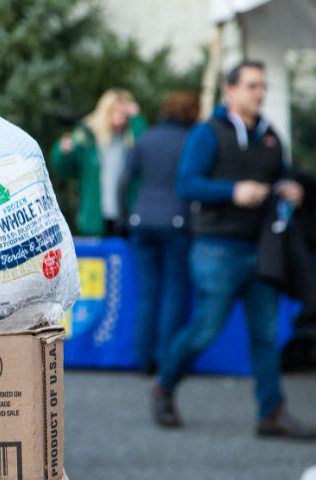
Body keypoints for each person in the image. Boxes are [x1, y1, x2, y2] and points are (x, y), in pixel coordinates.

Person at [152, 60, 315, 440]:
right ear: (230, 91)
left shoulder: (270, 135)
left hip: (262, 251)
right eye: (252, 86)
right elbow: (186, 184)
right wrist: (233, 191)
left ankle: (272, 412)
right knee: (204, 332)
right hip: (217, 250)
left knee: (266, 335)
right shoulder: (207, 133)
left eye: (263, 86)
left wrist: (294, 188)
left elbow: (283, 174)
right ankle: (164, 385)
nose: (259, 93)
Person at [117, 92, 198, 375]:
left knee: (148, 292)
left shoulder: (146, 137)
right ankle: (168, 359)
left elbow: (124, 181)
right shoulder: (192, 140)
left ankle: (144, 358)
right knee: (174, 291)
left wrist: (124, 218)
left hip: (142, 220)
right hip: (176, 221)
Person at [51, 89, 147, 236]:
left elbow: (146, 146)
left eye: (124, 115)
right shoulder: (88, 137)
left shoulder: (131, 140)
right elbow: (63, 168)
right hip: (95, 218)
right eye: (114, 113)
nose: (119, 119)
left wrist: (137, 117)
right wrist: (63, 151)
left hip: (125, 216)